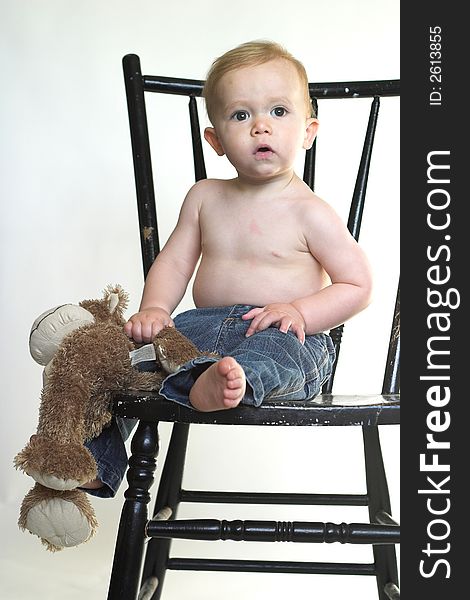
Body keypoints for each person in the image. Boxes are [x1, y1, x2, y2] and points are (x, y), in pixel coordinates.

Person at [83, 40, 372, 495]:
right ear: (215, 139)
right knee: (114, 364)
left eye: (279, 112)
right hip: (196, 329)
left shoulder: (311, 212)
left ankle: (216, 384)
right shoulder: (204, 197)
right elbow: (175, 260)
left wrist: (300, 311)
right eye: (241, 115)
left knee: (276, 359)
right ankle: (91, 464)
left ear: (308, 131)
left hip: (280, 335)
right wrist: (156, 308)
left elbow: (357, 284)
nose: (261, 126)